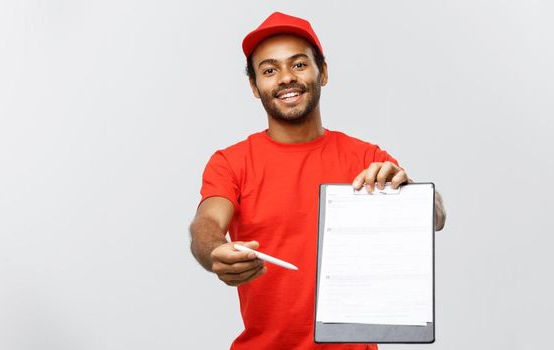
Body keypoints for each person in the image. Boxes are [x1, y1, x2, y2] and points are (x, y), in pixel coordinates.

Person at [189, 12, 447, 350]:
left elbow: (437, 215)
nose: (285, 79)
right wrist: (215, 251)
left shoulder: (365, 157)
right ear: (255, 87)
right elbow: (205, 223)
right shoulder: (232, 162)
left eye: (298, 65)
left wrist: (408, 190)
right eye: (269, 70)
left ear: (322, 73)